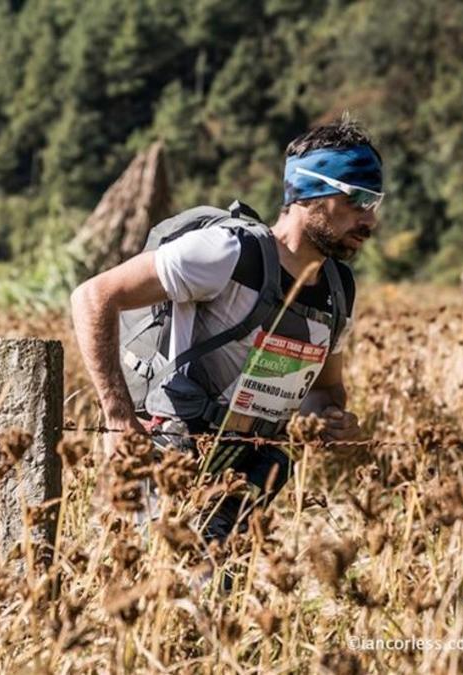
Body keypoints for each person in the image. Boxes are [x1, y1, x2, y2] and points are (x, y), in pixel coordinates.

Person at [69, 116, 381, 550]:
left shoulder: (338, 290)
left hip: (248, 476)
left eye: (376, 203)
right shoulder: (228, 252)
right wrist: (119, 418)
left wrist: (330, 420)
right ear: (312, 192)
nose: (370, 220)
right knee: (170, 597)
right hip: (169, 462)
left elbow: (325, 391)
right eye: (359, 199)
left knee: (223, 598)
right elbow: (93, 296)